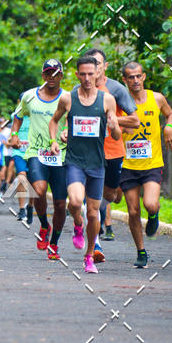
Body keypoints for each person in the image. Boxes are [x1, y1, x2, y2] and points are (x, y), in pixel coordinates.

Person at [49, 55, 120, 274]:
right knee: (75, 201)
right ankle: (77, 224)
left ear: (98, 73)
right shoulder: (68, 99)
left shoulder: (107, 100)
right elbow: (54, 120)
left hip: (97, 163)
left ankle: (89, 256)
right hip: (74, 161)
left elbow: (116, 136)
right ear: (77, 74)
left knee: (93, 213)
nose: (87, 78)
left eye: (91, 74)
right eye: (83, 74)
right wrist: (54, 140)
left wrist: (114, 126)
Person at [120, 61, 172, 267]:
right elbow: (112, 125)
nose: (135, 80)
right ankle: (141, 251)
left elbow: (170, 114)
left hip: (152, 163)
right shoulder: (120, 102)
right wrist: (120, 128)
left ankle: (154, 215)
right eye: (131, 77)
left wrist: (168, 127)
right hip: (127, 165)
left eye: (138, 76)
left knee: (150, 204)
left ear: (143, 77)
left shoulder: (157, 98)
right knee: (133, 211)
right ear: (125, 80)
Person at [86, 48, 140, 261]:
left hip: (113, 151)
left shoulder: (116, 89)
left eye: (98, 64)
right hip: (88, 152)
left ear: (105, 66)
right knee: (91, 199)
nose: (94, 68)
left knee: (110, 196)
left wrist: (112, 119)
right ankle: (95, 243)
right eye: (90, 64)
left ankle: (99, 212)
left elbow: (135, 120)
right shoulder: (78, 90)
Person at [12, 59, 68, 260]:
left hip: (61, 154)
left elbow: (73, 119)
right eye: (48, 73)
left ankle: (54, 243)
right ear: (43, 75)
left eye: (56, 73)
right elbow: (18, 116)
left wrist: (67, 131)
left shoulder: (68, 98)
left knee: (60, 204)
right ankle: (44, 225)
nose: (52, 77)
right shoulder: (29, 96)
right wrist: (14, 134)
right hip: (36, 152)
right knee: (39, 190)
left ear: (61, 76)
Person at [8, 111, 34, 224]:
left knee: (34, 181)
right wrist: (12, 141)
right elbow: (11, 135)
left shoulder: (36, 113)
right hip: (19, 152)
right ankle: (22, 208)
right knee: (21, 177)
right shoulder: (15, 115)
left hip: (33, 152)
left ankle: (30, 206)